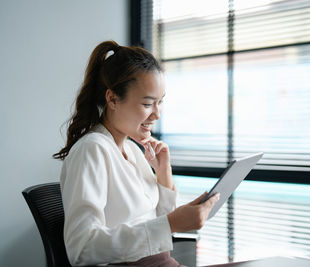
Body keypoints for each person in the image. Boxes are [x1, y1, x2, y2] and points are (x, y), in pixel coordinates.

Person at [53, 40, 220, 267]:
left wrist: (164, 175)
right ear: (112, 99)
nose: (157, 114)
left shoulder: (132, 149)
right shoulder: (92, 150)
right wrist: (170, 223)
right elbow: (82, 249)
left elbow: (157, 231)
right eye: (148, 103)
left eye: (160, 103)